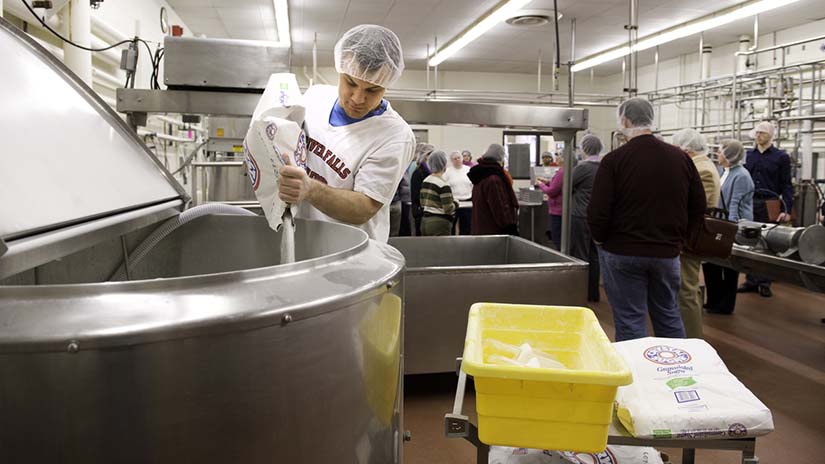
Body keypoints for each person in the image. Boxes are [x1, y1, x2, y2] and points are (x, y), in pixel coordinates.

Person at [278, 25, 415, 242]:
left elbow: (365, 207)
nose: (358, 99)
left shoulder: (395, 135)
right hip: (301, 240)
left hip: (352, 255)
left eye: (372, 90)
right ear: (341, 69)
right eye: (351, 83)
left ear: (387, 84)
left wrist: (310, 190)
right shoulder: (315, 97)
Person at [587, 98, 706, 342]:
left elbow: (598, 210)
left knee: (630, 319)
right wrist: (680, 241)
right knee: (669, 315)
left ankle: (638, 377)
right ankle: (677, 374)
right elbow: (698, 206)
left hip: (622, 252)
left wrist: (600, 239)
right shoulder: (681, 158)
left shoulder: (614, 160)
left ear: (625, 120)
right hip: (666, 253)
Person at [671, 128, 721, 339]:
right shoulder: (699, 165)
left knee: (686, 290)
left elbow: (696, 207)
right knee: (686, 288)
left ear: (687, 148)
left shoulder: (702, 169)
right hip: (687, 235)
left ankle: (691, 340)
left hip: (690, 238)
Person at [738, 121, 792, 297]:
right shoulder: (749, 155)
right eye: (756, 132)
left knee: (768, 242)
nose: (758, 135)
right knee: (749, 240)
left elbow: (786, 185)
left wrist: (787, 209)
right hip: (751, 201)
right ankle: (751, 280)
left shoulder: (781, 157)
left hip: (770, 202)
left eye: (762, 132)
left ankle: (765, 281)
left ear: (770, 135)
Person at [703, 140, 755, 315]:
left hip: (731, 226)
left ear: (730, 155)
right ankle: (713, 301)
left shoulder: (741, 175)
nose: (718, 154)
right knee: (711, 264)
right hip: (719, 223)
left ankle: (726, 305)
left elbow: (735, 204)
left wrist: (729, 231)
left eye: (720, 151)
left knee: (730, 267)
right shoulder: (723, 171)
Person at [569, 134, 603, 302]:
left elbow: (567, 185)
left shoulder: (583, 168)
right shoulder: (604, 166)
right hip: (597, 217)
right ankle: (593, 293)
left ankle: (580, 294)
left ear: (584, 149)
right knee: (594, 255)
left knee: (581, 254)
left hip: (580, 216)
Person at [468, 144, 519, 236]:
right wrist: (510, 228)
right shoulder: (493, 180)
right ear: (500, 159)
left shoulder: (480, 176)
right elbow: (500, 207)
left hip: (481, 228)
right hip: (493, 231)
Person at [420, 151, 457, 236]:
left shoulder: (426, 180)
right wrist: (456, 203)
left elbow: (422, 202)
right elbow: (448, 208)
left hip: (425, 221)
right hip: (439, 223)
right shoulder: (444, 184)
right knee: (442, 249)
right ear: (444, 164)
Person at [536, 156, 564, 250]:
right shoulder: (563, 171)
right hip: (560, 208)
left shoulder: (561, 172)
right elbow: (557, 185)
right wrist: (548, 182)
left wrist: (541, 185)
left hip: (557, 210)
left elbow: (552, 191)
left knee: (556, 237)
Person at [444, 151, 474, 235]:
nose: (457, 160)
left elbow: (473, 184)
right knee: (451, 226)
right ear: (451, 160)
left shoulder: (468, 170)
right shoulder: (447, 171)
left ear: (462, 159)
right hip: (453, 202)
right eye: (454, 158)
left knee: (467, 227)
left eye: (459, 158)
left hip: (468, 202)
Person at [410, 143, 435, 236]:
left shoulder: (432, 171)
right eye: (430, 154)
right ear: (425, 156)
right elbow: (416, 196)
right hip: (422, 212)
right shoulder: (418, 172)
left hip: (431, 211)